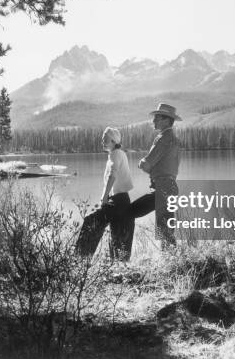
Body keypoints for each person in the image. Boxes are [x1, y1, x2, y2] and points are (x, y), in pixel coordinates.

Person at [75, 127, 135, 260]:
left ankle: (80, 259)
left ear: (113, 141)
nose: (102, 141)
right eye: (102, 138)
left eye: (105, 139)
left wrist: (104, 197)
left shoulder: (116, 154)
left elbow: (112, 176)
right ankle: (84, 259)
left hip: (119, 202)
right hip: (121, 201)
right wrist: (106, 196)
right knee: (116, 237)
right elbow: (112, 178)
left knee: (92, 222)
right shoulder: (118, 154)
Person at [128, 103, 181, 248]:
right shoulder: (175, 139)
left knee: (129, 213)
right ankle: (173, 261)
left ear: (166, 120)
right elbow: (170, 168)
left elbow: (146, 163)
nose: (153, 121)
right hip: (169, 187)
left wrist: (142, 164)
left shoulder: (163, 138)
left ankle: (121, 256)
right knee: (166, 230)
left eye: (156, 118)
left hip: (162, 188)